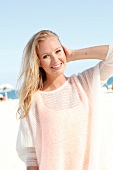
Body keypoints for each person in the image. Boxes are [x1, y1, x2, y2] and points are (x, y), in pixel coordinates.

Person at [16, 30, 113, 170]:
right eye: (46, 56)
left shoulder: (84, 83)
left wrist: (73, 55)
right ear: (38, 62)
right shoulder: (34, 100)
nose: (55, 60)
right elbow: (31, 156)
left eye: (58, 51)